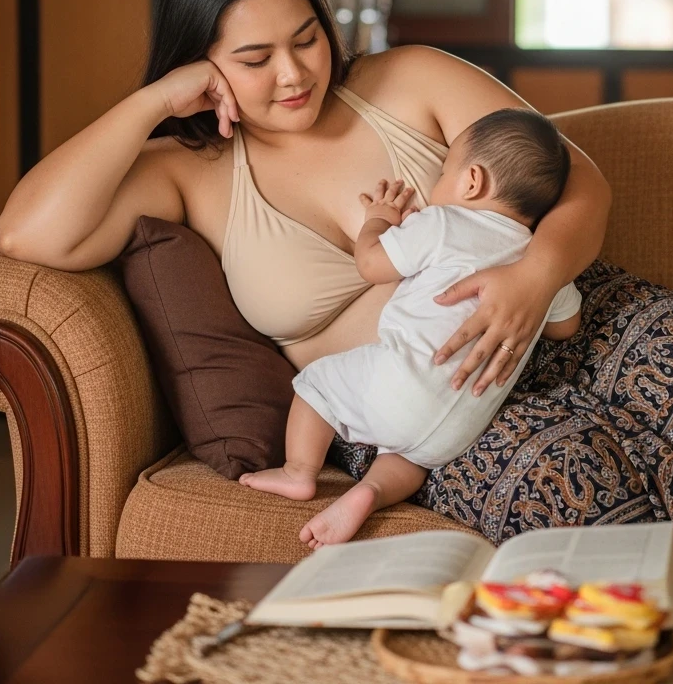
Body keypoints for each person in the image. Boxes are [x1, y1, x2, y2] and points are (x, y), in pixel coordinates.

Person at [0, 0, 673, 576]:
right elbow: (29, 233)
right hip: (427, 408)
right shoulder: (186, 174)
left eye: (307, 37)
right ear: (204, 65)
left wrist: (537, 274)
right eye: (254, 57)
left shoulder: (408, 79)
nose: (293, 73)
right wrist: (158, 99)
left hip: (565, 318)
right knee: (573, 493)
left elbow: (578, 176)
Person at [239, 108, 585, 548]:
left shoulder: (442, 224)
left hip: (397, 385)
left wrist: (378, 222)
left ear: (472, 181)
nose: (439, 181)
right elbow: (566, 325)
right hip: (456, 431)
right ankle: (372, 491)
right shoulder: (541, 264)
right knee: (408, 455)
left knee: (316, 383)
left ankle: (298, 472)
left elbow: (371, 264)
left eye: (445, 170)